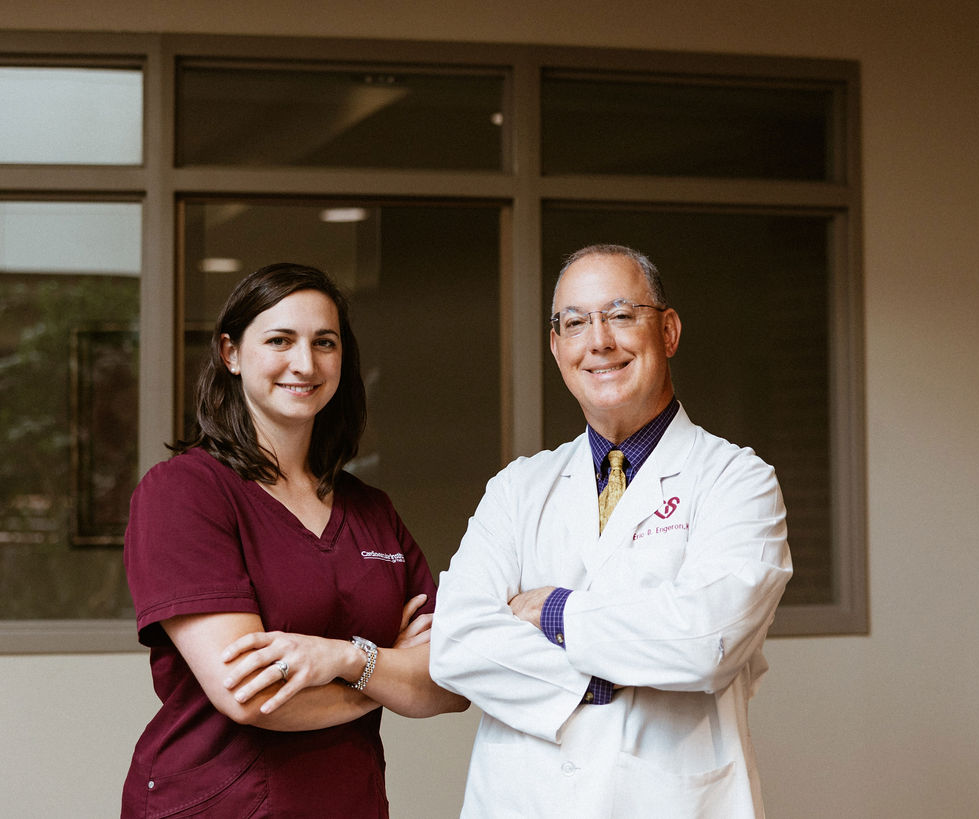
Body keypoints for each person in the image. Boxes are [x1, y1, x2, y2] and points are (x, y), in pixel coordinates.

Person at [430, 244, 793, 818]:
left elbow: (705, 641)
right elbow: (455, 640)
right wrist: (606, 678)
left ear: (668, 332)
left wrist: (554, 613)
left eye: (621, 315)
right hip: (523, 799)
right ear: (557, 347)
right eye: (575, 323)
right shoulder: (517, 488)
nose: (598, 341)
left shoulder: (736, 480)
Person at [122, 262, 467, 818]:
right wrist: (386, 670)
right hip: (217, 805)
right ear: (231, 354)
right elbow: (251, 695)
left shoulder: (371, 510)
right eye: (280, 340)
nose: (304, 364)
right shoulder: (184, 492)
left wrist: (343, 658)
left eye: (324, 343)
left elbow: (450, 683)